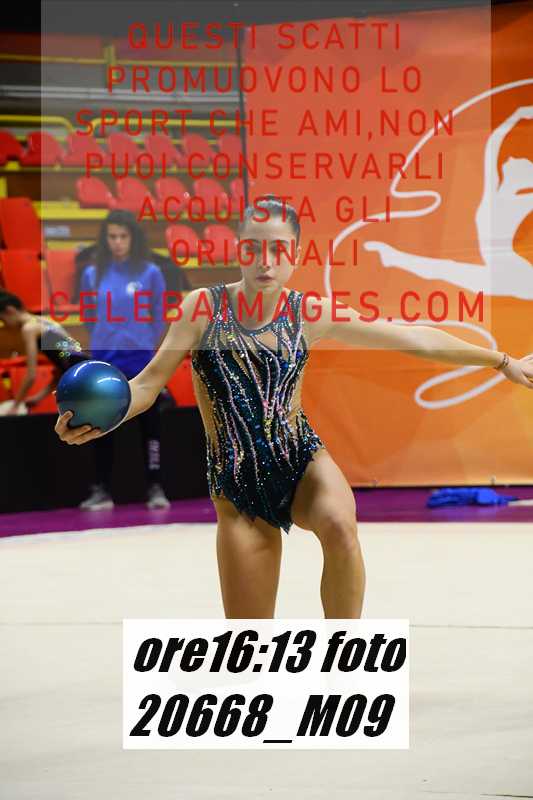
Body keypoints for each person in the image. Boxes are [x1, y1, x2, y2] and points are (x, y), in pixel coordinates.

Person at [55, 196, 533, 619]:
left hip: (301, 461)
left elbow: (415, 339)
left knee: (340, 526)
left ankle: (343, 659)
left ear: (296, 253)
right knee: (250, 644)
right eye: (253, 248)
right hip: (236, 485)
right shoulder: (202, 309)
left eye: (278, 249)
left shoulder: (308, 313)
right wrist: (103, 419)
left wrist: (501, 361)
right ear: (239, 250)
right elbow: (145, 385)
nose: (265, 260)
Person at [78, 209, 170, 511]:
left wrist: (142, 343)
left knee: (150, 427)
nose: (117, 242)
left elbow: (158, 317)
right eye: (112, 236)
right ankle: (102, 490)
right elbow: (89, 317)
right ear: (105, 239)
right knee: (102, 428)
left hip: (140, 362)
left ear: (133, 238)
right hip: (106, 363)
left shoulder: (150, 273)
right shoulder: (92, 274)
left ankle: (156, 486)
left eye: (123, 236)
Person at [0, 289, 89, 414]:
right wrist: (38, 397)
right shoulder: (42, 321)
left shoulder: (29, 329)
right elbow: (63, 368)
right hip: (85, 371)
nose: (5, 325)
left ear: (10, 311)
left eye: (3, 320)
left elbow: (31, 375)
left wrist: (15, 405)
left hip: (81, 378)